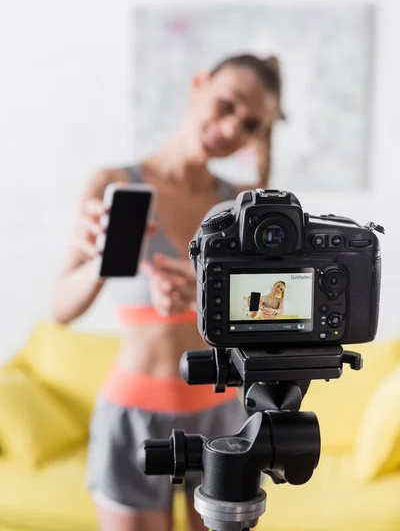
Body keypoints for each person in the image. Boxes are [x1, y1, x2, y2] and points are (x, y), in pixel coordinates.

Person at [51, 53, 284, 531]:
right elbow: (59, 308)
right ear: (198, 83)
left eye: (249, 124)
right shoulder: (113, 184)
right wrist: (100, 262)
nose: (230, 128)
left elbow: (267, 315)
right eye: (226, 105)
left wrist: (203, 293)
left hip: (224, 418)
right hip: (132, 417)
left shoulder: (239, 205)